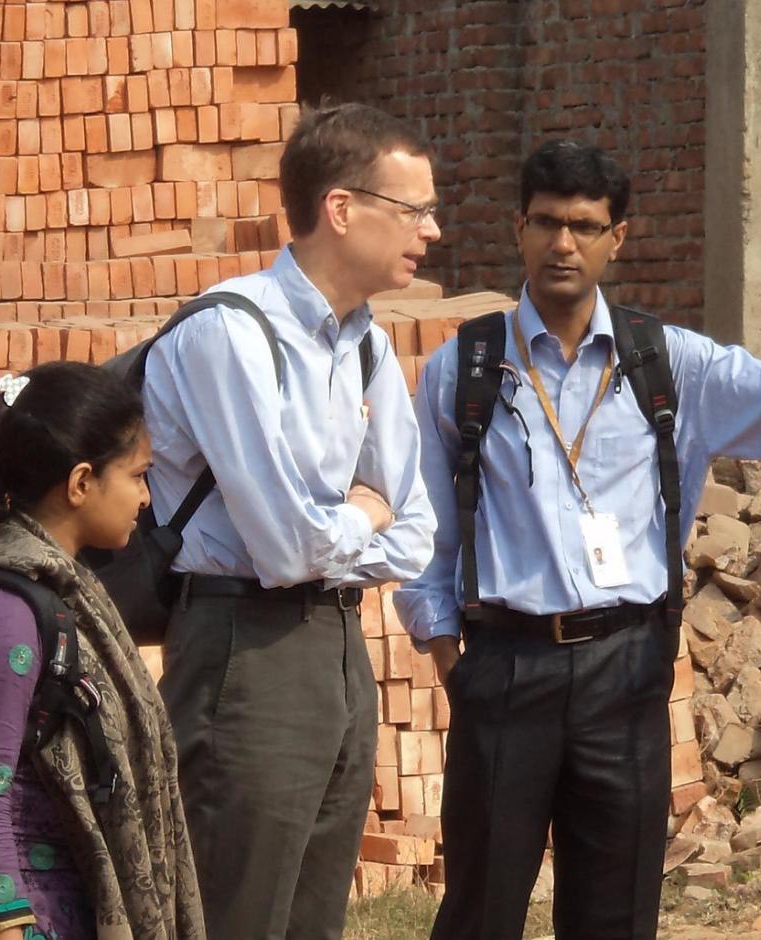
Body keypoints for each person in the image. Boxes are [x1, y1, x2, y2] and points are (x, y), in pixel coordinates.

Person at [394, 138, 761, 940]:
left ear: (619, 238)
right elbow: (425, 523)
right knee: (479, 910)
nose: (562, 244)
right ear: (517, 229)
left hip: (626, 671)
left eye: (583, 225)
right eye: (545, 223)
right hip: (506, 669)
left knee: (616, 910)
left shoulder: (668, 363)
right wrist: (447, 658)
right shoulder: (462, 369)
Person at [140, 101, 438, 940]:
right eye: (414, 210)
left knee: (314, 915)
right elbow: (283, 546)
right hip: (243, 644)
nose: (433, 230)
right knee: (238, 910)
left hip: (338, 644)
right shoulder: (231, 332)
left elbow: (414, 530)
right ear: (341, 209)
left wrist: (349, 521)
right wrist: (359, 514)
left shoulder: (367, 344)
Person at [0, 361, 204, 940]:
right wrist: (3, 922)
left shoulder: (61, 589)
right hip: (21, 917)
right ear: (81, 483)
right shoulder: (0, 615)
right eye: (137, 476)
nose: (147, 499)